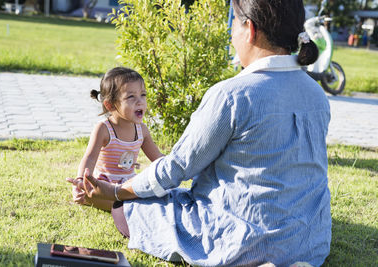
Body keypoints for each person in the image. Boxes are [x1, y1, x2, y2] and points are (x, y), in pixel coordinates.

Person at [68, 0, 332, 266]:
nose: (232, 35)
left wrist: (116, 192)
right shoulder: (316, 94)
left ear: (249, 29)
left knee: (148, 204)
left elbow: (177, 168)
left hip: (243, 240)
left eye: (233, 25)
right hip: (308, 242)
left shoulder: (232, 95)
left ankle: (108, 200)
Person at [66, 67, 163, 211]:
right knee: (107, 199)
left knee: (155, 194)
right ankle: (88, 197)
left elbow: (158, 159)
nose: (140, 101)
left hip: (128, 185)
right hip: (104, 185)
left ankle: (124, 203)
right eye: (131, 97)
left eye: (143, 94)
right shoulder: (104, 129)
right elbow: (90, 158)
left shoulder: (142, 130)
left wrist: (183, 168)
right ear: (110, 105)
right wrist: (81, 179)